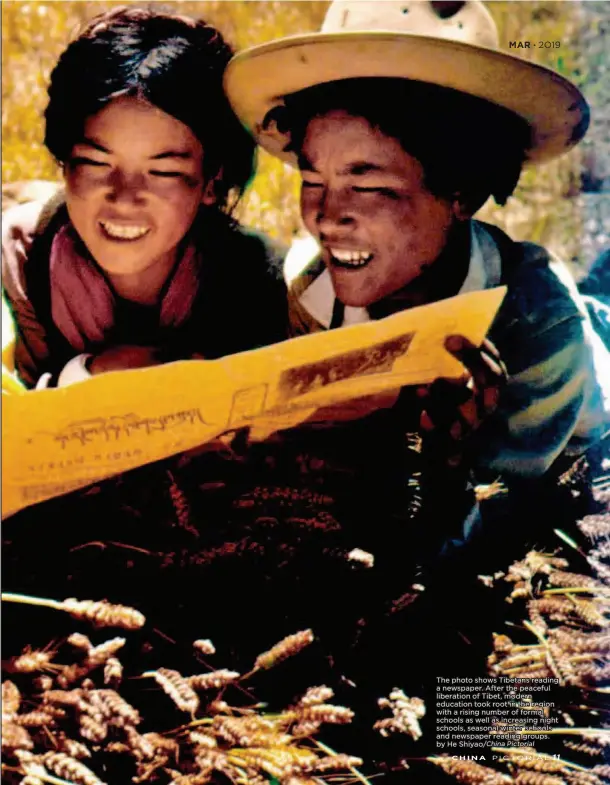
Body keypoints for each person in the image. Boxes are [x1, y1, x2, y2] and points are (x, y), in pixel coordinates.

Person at [224, 0, 610, 487]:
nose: (326, 216)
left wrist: (453, 461)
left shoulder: (537, 325)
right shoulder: (310, 286)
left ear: (463, 192)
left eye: (368, 187)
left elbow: (504, 498)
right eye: (312, 180)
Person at [2, 6, 288, 390]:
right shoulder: (19, 264)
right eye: (96, 163)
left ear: (212, 183)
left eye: (164, 171)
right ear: (64, 162)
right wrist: (90, 374)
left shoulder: (256, 281)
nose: (125, 197)